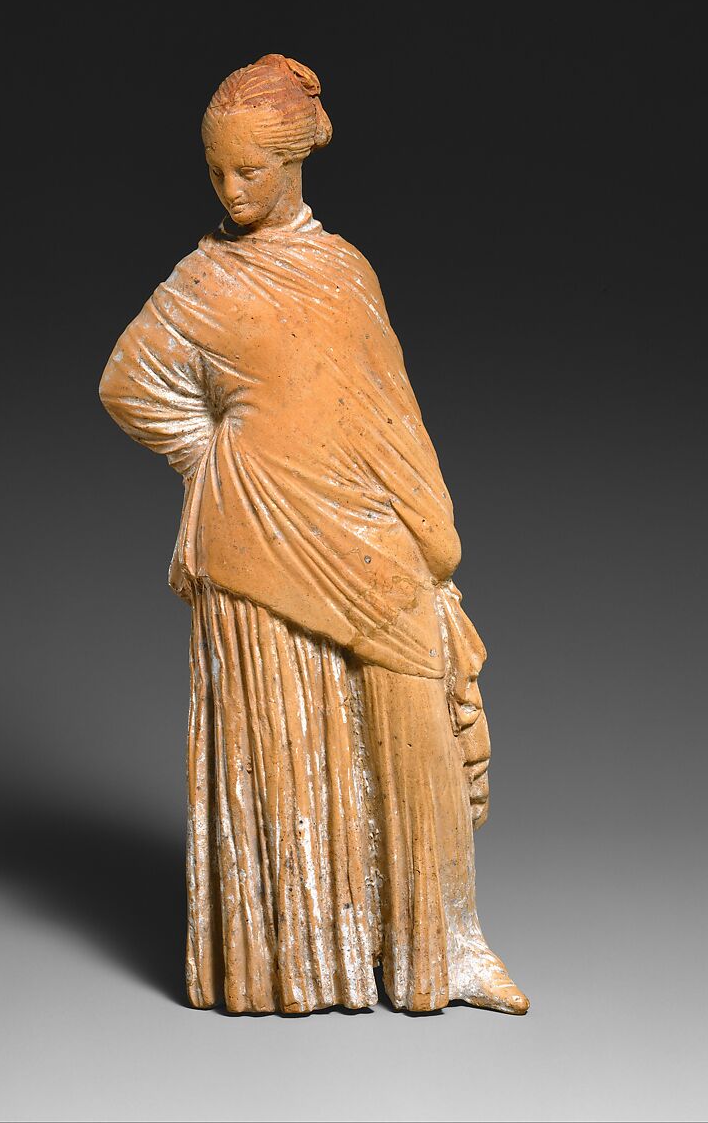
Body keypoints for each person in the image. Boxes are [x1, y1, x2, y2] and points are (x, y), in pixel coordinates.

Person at [99, 54, 528, 1015]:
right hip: (256, 535)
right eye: (216, 171)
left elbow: (390, 410)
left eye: (249, 170)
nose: (229, 190)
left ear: (294, 163)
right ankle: (293, 961)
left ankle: (443, 949)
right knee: (285, 740)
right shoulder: (203, 281)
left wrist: (431, 536)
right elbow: (126, 383)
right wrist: (214, 456)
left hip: (361, 526)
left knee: (417, 720)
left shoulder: (341, 269)